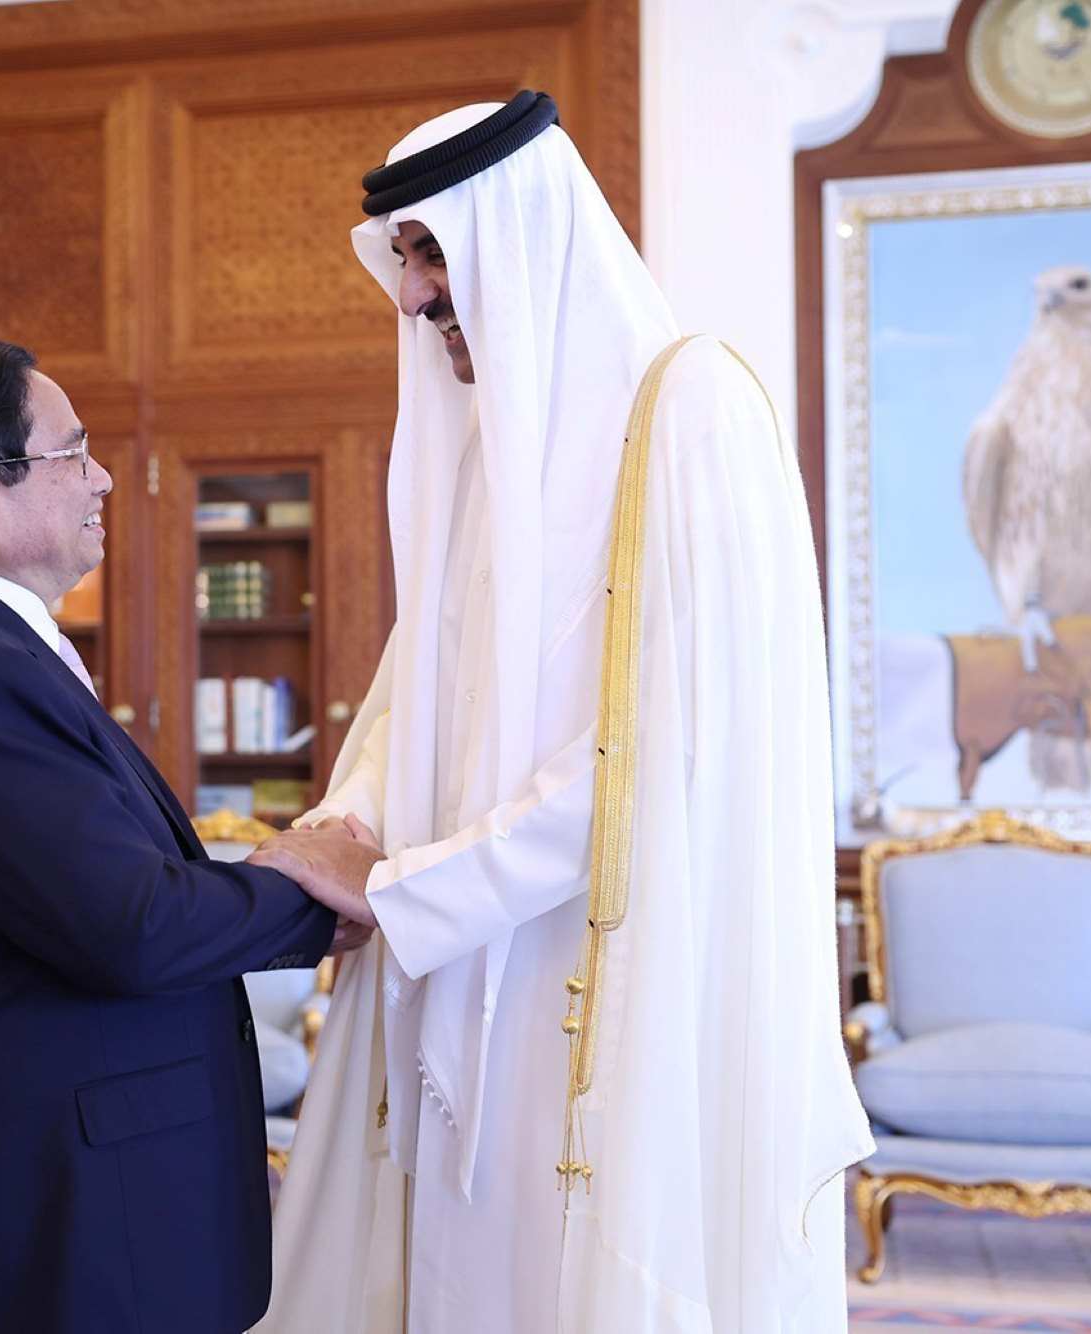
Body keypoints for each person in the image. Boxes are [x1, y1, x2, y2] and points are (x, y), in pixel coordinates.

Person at [248, 92, 874, 1332]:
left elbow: (655, 755)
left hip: (600, 964)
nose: (416, 297)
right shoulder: (488, 444)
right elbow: (409, 689)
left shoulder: (689, 416)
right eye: (406, 260)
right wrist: (341, 825)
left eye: (434, 254)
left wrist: (399, 888)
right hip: (453, 952)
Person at [0, 340, 351, 1334]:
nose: (102, 476)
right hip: (47, 1221)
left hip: (63, 1200)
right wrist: (311, 886)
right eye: (72, 453)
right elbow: (131, 921)